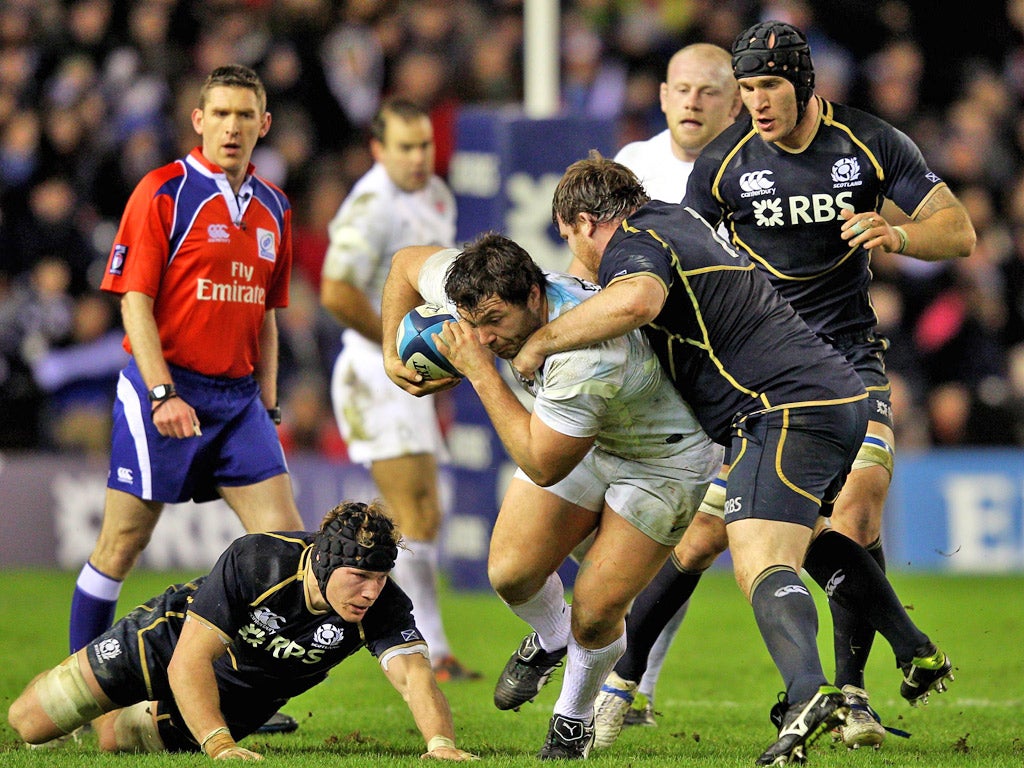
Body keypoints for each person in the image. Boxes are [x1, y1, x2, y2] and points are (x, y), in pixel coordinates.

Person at [512, 152, 954, 765]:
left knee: (760, 562)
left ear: (585, 222)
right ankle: (916, 649)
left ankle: (807, 695)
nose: (573, 253)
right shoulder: (677, 220)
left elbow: (637, 300)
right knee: (810, 536)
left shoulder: (632, 246)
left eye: (567, 235)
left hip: (785, 408)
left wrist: (542, 340)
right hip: (831, 395)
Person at [680, 20, 975, 749]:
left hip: (850, 357)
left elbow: (959, 232)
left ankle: (854, 695)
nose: (756, 102)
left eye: (769, 85)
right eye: (746, 89)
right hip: (766, 372)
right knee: (726, 542)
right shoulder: (721, 165)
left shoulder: (871, 142)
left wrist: (898, 234)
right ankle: (625, 684)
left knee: (862, 511)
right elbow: (685, 266)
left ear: (805, 83)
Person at [379, 234, 722, 759]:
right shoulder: (477, 291)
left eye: (496, 322)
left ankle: (572, 719)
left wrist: (477, 374)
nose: (485, 337)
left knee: (595, 609)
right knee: (510, 573)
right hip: (586, 437)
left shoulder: (585, 352)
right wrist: (388, 354)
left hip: (661, 460)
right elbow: (405, 263)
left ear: (536, 297)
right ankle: (552, 635)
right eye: (474, 324)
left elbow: (543, 464)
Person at [70, 65, 305, 733]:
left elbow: (265, 311)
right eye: (220, 114)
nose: (232, 127)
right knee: (121, 543)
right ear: (198, 121)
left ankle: (241, 698)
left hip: (238, 400)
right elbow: (134, 302)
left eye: (245, 116)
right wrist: (163, 391)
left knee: (285, 551)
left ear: (263, 125)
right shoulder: (163, 192)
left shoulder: (276, 208)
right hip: (165, 388)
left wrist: (269, 397)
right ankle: (90, 701)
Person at [8, 500, 478, 762]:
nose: (371, 592)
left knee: (113, 740)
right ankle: (93, 683)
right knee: (29, 722)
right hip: (171, 638)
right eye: (360, 578)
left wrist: (441, 744)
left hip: (242, 697)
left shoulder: (382, 603)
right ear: (325, 562)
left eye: (379, 579)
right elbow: (189, 660)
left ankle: (113, 710)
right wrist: (219, 745)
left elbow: (415, 675)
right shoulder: (259, 560)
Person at [597, 41, 742, 732]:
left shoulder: (753, 170)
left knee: (679, 533)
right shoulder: (632, 167)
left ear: (734, 99)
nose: (692, 101)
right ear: (661, 96)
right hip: (635, 369)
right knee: (592, 514)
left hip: (715, 376)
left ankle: (636, 684)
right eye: (681, 89)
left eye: (708, 91)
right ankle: (569, 637)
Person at [319, 97, 478, 682]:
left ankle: (432, 645)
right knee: (411, 511)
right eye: (405, 148)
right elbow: (336, 290)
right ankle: (423, 649)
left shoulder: (436, 193)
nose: (418, 158)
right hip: (372, 370)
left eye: (424, 146)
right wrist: (393, 347)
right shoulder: (370, 206)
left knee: (426, 512)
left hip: (407, 369)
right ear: (378, 149)